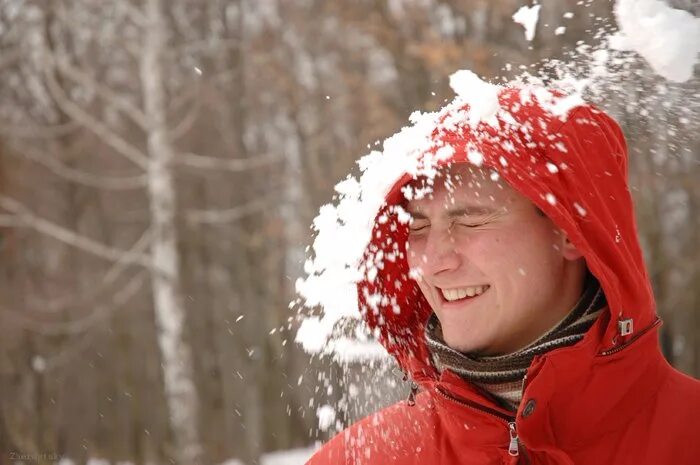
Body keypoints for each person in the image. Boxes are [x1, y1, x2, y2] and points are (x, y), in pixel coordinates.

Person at [305, 85, 700, 465]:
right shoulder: (360, 458)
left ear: (569, 231)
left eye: (471, 221)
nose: (433, 261)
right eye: (419, 227)